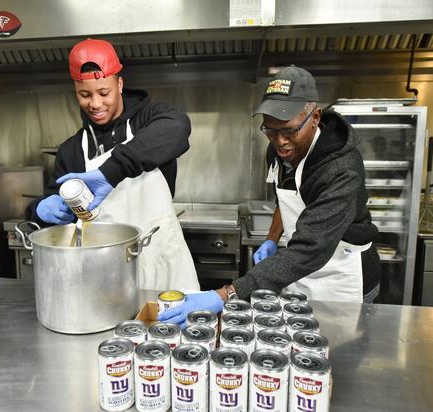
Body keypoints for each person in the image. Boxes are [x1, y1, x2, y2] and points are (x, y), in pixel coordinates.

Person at [159, 66, 380, 326]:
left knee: (340, 355)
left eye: (289, 131)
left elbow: (311, 249)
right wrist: (272, 239)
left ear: (315, 117)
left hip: (342, 275)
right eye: (271, 130)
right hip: (301, 269)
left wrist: (226, 294)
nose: (280, 141)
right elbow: (284, 195)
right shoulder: (278, 150)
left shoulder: (340, 168)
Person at [26, 38, 199, 291]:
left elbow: (178, 127)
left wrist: (110, 173)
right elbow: (56, 202)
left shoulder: (150, 120)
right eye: (84, 95)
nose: (95, 104)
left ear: (119, 84)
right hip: (103, 272)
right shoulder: (71, 150)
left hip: (162, 259)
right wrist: (40, 209)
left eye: (103, 93)